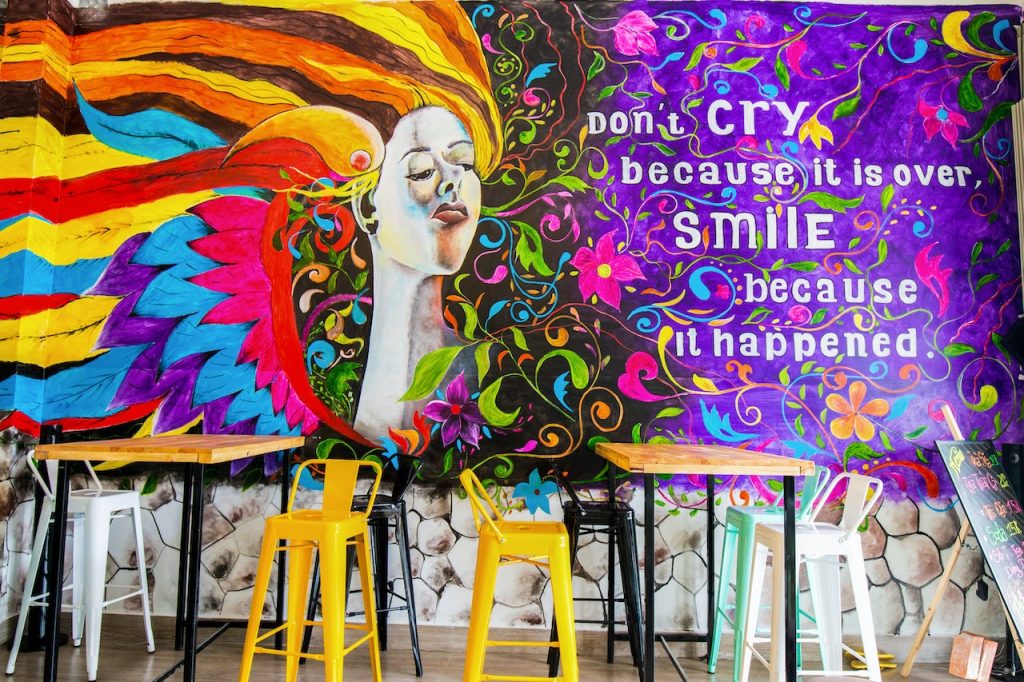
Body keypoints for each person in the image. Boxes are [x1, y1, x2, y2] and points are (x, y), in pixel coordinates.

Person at [353, 106, 482, 441]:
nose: (453, 177)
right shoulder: (322, 375)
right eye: (422, 171)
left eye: (465, 162)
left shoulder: (492, 368)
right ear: (368, 208)